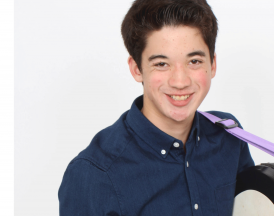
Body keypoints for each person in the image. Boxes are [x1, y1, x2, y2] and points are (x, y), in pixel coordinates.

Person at [58, 0, 254, 215]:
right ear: (137, 69)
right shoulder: (93, 173)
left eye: (194, 61)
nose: (180, 81)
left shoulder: (229, 136)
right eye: (161, 64)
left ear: (212, 64)